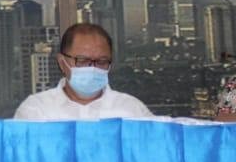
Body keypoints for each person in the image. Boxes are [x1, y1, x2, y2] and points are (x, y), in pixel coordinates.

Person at [14, 22, 152, 120]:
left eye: (102, 61)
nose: (92, 68)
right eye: (82, 60)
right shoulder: (36, 110)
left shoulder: (131, 110)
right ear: (62, 62)